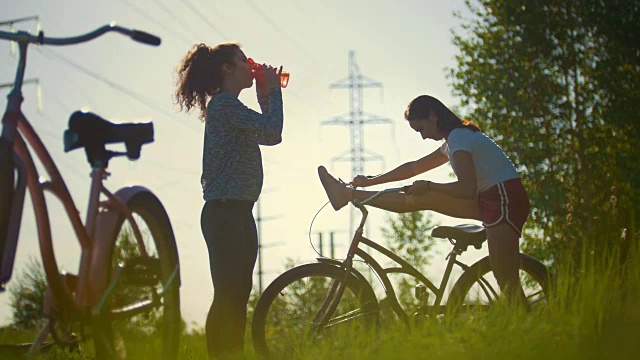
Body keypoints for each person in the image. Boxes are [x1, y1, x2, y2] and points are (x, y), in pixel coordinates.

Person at [318, 94, 530, 306]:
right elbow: (413, 167)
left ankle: (527, 323)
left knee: (507, 280)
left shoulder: (459, 138)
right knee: (420, 198)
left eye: (421, 129)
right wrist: (370, 181)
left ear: (432, 116)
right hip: (490, 197)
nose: (423, 136)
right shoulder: (452, 142)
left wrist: (429, 185)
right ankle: (348, 194)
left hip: (504, 199)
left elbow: (467, 189)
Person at [175, 43, 284, 359]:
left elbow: (270, 136)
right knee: (228, 294)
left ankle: (230, 354)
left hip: (235, 211)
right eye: (242, 60)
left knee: (236, 294)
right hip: (226, 212)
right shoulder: (223, 105)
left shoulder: (230, 108)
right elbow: (272, 127)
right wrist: (273, 90)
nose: (250, 65)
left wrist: (266, 94)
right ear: (227, 69)